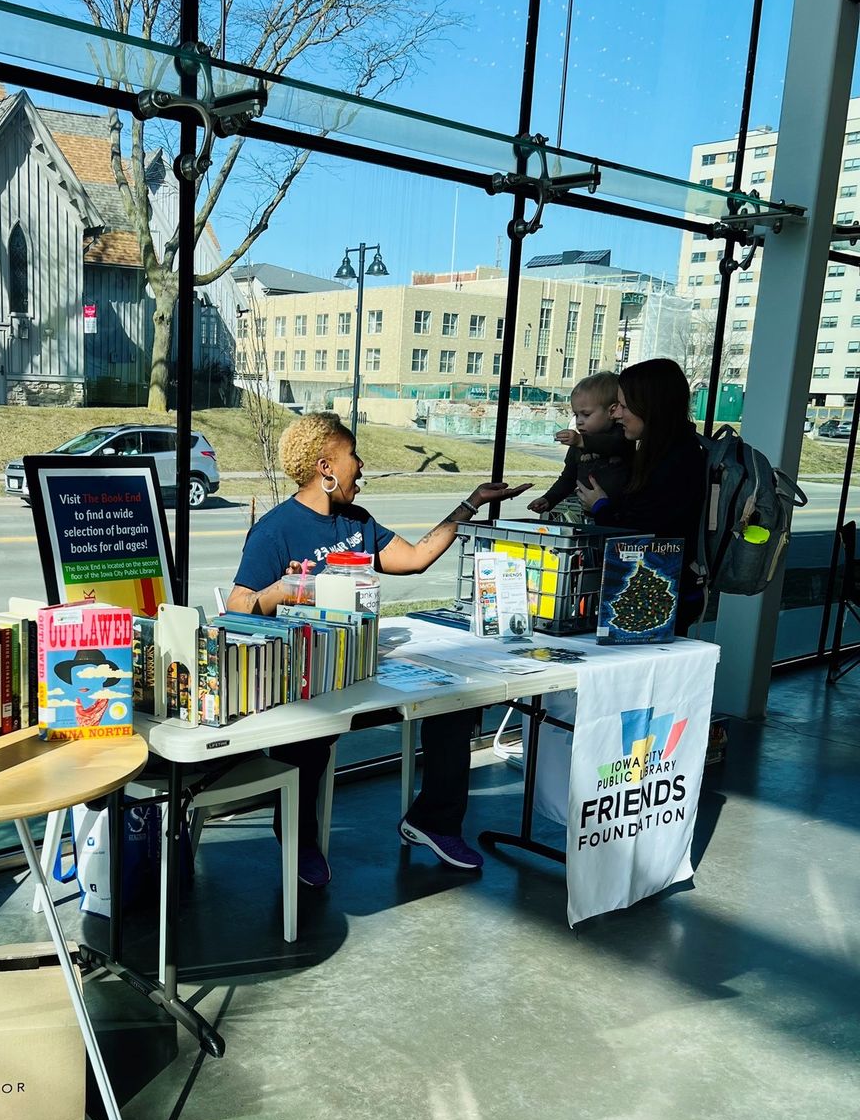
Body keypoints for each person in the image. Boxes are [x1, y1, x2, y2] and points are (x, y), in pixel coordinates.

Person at [226, 411, 532, 887]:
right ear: (326, 466)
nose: (362, 465)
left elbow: (413, 558)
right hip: (309, 675)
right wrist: (281, 591)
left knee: (452, 705)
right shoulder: (275, 530)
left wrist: (469, 504)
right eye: (353, 456)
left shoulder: (357, 521)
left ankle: (434, 820)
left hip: (364, 662)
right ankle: (298, 837)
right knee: (307, 739)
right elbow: (238, 607)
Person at [575, 357, 707, 633]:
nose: (616, 415)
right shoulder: (673, 452)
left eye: (623, 406)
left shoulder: (675, 463)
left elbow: (645, 534)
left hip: (658, 598)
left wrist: (601, 507)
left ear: (650, 407)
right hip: (662, 593)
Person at [527, 370, 631, 516]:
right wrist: (549, 499)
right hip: (590, 513)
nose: (579, 421)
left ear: (612, 411)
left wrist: (581, 441)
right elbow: (569, 477)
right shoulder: (579, 443)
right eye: (576, 414)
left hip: (619, 515)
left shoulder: (621, 434)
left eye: (586, 414)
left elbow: (614, 444)